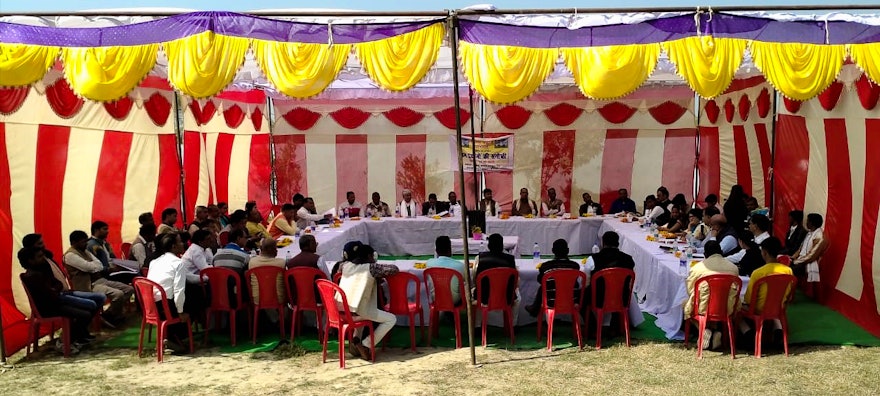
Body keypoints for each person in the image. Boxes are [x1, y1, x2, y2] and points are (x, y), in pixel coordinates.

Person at [19, 247, 97, 352]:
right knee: (85, 313)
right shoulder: (31, 276)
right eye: (39, 257)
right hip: (49, 307)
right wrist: (56, 291)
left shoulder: (41, 270)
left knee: (90, 306)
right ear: (30, 260)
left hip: (56, 301)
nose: (43, 258)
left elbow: (57, 284)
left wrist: (54, 289)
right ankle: (63, 341)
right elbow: (49, 295)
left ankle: (76, 336)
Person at [337, 245, 399, 360]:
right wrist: (374, 263)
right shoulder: (371, 268)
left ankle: (356, 341)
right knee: (391, 319)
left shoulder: (345, 266)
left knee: (362, 314)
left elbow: (339, 268)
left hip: (342, 311)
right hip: (360, 312)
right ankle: (366, 344)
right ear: (370, 256)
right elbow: (394, 269)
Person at [22, 234, 106, 316]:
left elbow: (99, 265)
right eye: (39, 244)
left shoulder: (46, 258)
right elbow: (50, 291)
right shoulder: (36, 271)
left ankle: (87, 323)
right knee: (91, 304)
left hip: (64, 292)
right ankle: (80, 325)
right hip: (58, 298)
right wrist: (57, 288)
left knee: (101, 297)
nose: (43, 245)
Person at [64, 230, 133, 324]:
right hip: (87, 285)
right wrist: (93, 266)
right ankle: (113, 316)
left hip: (99, 279)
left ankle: (109, 314)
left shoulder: (86, 251)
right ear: (74, 243)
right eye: (83, 242)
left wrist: (93, 267)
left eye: (86, 241)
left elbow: (99, 265)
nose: (86, 243)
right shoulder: (70, 255)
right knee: (118, 294)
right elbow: (88, 267)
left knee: (129, 289)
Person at [683, 240, 740, 350]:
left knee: (685, 304)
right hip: (726, 308)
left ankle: (704, 330)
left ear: (705, 254)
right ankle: (715, 331)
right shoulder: (733, 268)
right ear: (721, 252)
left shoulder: (698, 268)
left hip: (703, 308)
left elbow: (690, 290)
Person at [738, 237, 794, 343]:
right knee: (774, 305)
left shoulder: (758, 273)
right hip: (778, 307)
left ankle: (747, 332)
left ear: (764, 252)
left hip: (758, 309)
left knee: (736, 308)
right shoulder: (788, 271)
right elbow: (789, 295)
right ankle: (778, 329)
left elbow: (748, 299)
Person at [146, 232, 191, 353]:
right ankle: (177, 337)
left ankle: (175, 337)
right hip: (166, 306)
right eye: (180, 242)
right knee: (196, 298)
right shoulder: (178, 263)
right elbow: (179, 289)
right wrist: (180, 311)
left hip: (151, 305)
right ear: (173, 247)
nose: (183, 244)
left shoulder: (154, 262)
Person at [525, 239, 580, 317]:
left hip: (550, 301)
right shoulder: (575, 266)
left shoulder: (546, 266)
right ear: (568, 251)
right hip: (572, 300)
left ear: (553, 251)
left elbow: (540, 280)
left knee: (543, 287)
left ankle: (535, 308)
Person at [585, 232, 635, 314]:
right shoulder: (628, 259)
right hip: (622, 298)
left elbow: (586, 283)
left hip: (598, 300)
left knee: (581, 296)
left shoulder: (593, 259)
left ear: (603, 243)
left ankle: (592, 324)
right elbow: (630, 283)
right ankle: (616, 321)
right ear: (618, 243)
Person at [474, 233, 518, 306]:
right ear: (502, 246)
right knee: (517, 297)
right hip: (506, 298)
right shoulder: (510, 259)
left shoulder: (481, 258)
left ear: (488, 246)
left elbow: (477, 278)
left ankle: (475, 317)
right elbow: (513, 281)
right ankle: (512, 317)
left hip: (484, 297)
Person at [248, 238, 287, 313]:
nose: (277, 250)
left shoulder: (252, 262)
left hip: (257, 298)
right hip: (278, 298)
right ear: (272, 250)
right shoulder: (281, 263)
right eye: (275, 248)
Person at [425, 236, 467, 305]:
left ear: (436, 251)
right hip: (455, 300)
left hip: (436, 299)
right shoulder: (460, 266)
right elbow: (469, 283)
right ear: (450, 249)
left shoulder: (429, 263)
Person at [791, 213, 828, 285]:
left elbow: (812, 255)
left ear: (812, 223)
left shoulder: (819, 236)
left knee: (788, 271)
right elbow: (801, 249)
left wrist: (797, 261)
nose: (806, 223)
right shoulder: (809, 233)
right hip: (801, 260)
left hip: (807, 262)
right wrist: (792, 257)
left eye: (808, 221)